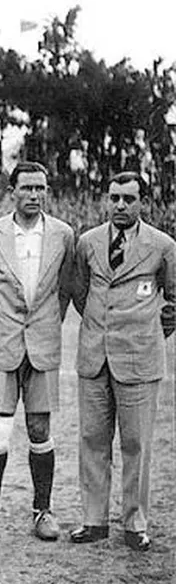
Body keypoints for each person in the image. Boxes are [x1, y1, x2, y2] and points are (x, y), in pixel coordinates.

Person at [0, 161, 74, 541]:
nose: (34, 195)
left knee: (40, 428)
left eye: (40, 189)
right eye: (26, 188)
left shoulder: (63, 235)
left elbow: (65, 290)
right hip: (1, 344)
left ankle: (43, 511)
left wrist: (44, 324)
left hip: (42, 344)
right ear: (11, 191)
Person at [70, 172, 176, 551]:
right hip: (95, 358)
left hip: (140, 361)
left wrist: (145, 334)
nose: (120, 206)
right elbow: (79, 293)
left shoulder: (162, 246)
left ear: (143, 202)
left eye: (129, 199)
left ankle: (135, 523)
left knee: (136, 443)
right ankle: (94, 520)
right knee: (92, 439)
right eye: (114, 198)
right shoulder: (88, 243)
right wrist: (103, 330)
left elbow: (174, 302)